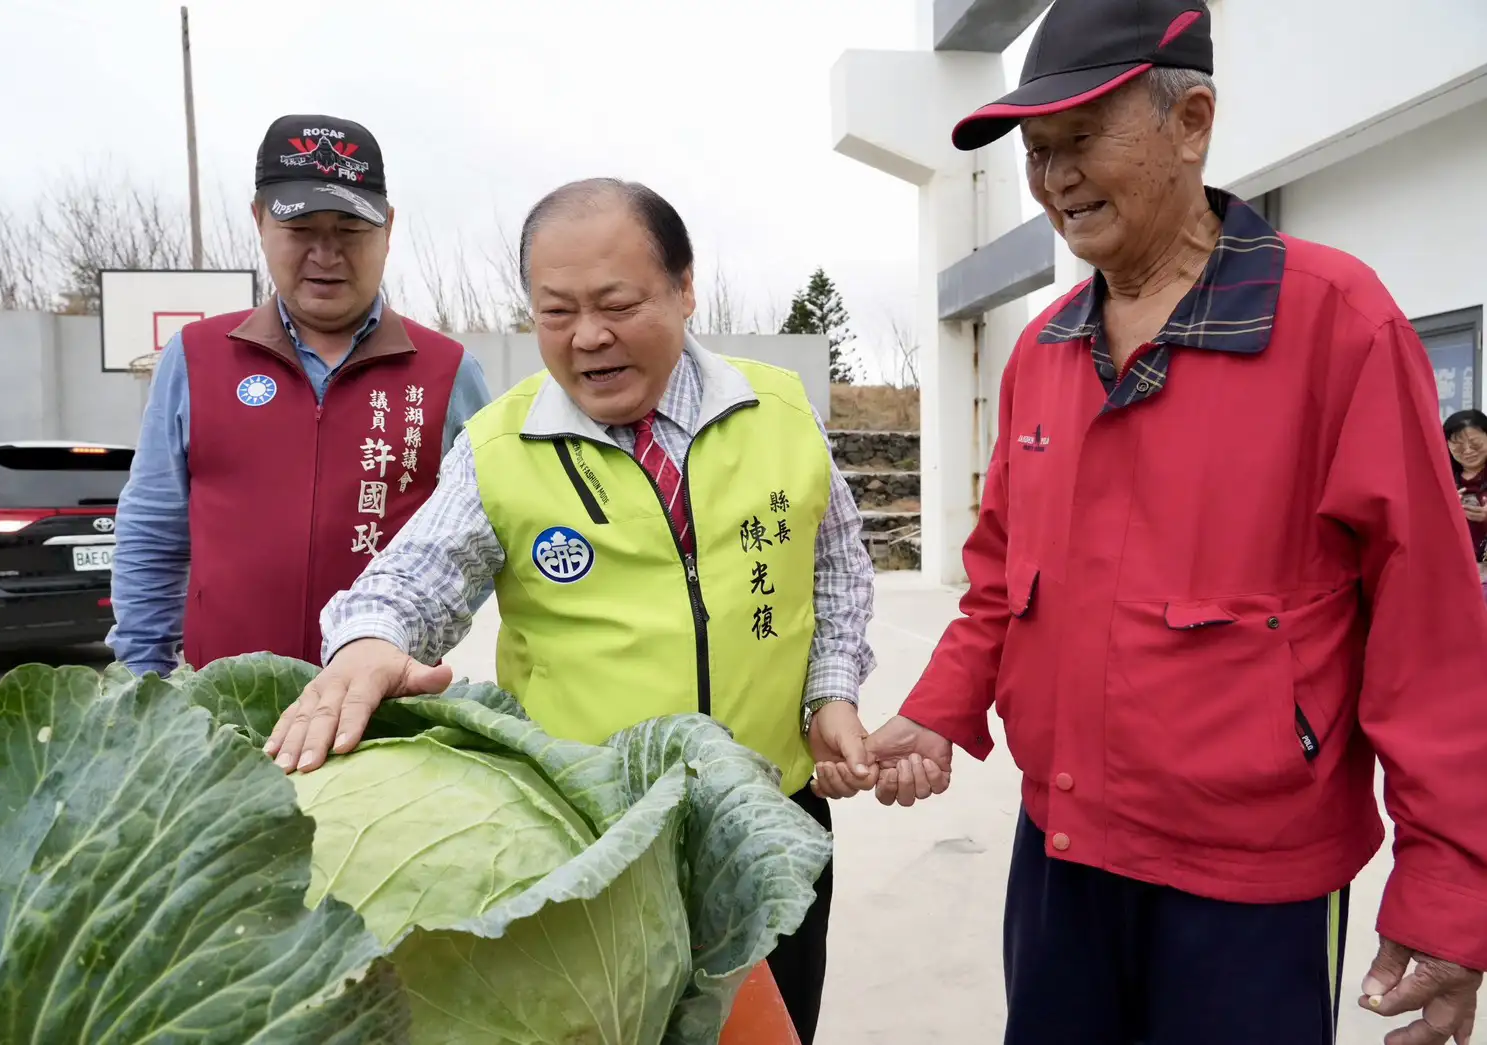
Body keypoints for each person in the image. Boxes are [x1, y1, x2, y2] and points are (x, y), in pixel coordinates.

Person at [826, 2, 1487, 1044]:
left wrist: (1451, 885)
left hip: (1251, 881)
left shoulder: (1336, 324)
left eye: (1080, 139)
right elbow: (1002, 580)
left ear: (1191, 120)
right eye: (1036, 154)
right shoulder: (1042, 349)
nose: (1053, 181)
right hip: (1060, 850)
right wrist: (941, 708)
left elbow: (1431, 628)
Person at [263, 177, 878, 1044]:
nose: (587, 337)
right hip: (597, 859)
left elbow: (836, 571)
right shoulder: (502, 447)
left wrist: (831, 693)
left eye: (616, 303)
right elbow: (412, 578)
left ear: (684, 287)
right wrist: (368, 642)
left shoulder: (779, 410)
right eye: (555, 312)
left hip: (771, 820)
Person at [109, 113, 492, 677]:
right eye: (301, 229)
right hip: (221, 711)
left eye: (349, 230)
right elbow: (152, 531)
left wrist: (416, 643)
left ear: (387, 229)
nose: (326, 254)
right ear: (260, 220)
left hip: (388, 715)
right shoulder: (195, 356)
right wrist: (146, 677)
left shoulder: (449, 371)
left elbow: (484, 538)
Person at [1444, 409, 1487, 576]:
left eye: (1475, 443)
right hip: (1453, 570)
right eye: (1458, 446)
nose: (1468, 451)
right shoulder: (1442, 479)